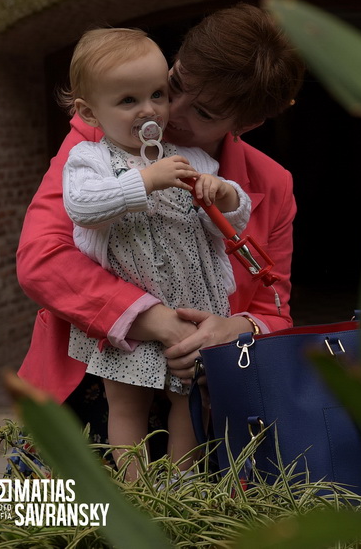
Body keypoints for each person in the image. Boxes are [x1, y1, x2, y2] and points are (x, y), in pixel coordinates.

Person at [17, 3, 305, 452]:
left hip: (202, 402)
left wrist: (234, 331)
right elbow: (41, 259)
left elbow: (276, 309)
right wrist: (154, 320)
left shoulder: (272, 184)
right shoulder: (95, 136)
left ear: (246, 125)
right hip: (87, 387)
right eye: (174, 85)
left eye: (205, 112)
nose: (167, 111)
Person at [59, 27, 251, 477]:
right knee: (125, 403)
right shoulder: (90, 159)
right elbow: (82, 207)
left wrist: (222, 195)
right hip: (127, 313)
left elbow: (228, 227)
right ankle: (136, 488)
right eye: (128, 101)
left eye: (158, 94)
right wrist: (143, 180)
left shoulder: (191, 158)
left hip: (190, 307)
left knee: (190, 401)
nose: (149, 110)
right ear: (90, 111)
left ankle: (182, 488)